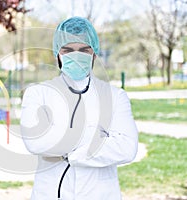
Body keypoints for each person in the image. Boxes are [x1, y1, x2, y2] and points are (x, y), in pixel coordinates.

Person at [20, 16, 138, 200]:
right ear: (57, 54)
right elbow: (35, 142)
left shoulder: (116, 96)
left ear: (94, 54)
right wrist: (97, 135)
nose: (76, 55)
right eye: (68, 50)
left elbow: (127, 148)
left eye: (84, 49)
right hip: (50, 193)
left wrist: (66, 149)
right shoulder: (38, 93)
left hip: (100, 194)